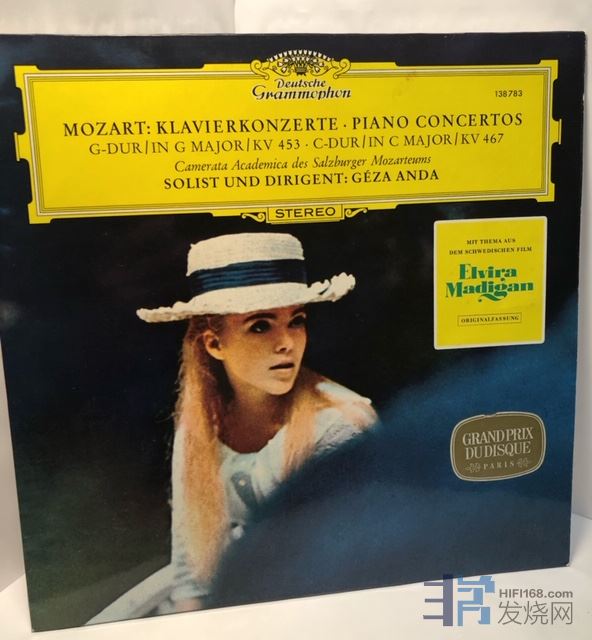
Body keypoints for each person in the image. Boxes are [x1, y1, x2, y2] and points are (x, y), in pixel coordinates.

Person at [136, 232, 378, 612]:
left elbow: (355, 575)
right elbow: (190, 574)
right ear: (214, 344)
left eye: (296, 321)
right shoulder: (199, 429)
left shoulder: (337, 426)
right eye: (261, 326)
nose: (287, 343)